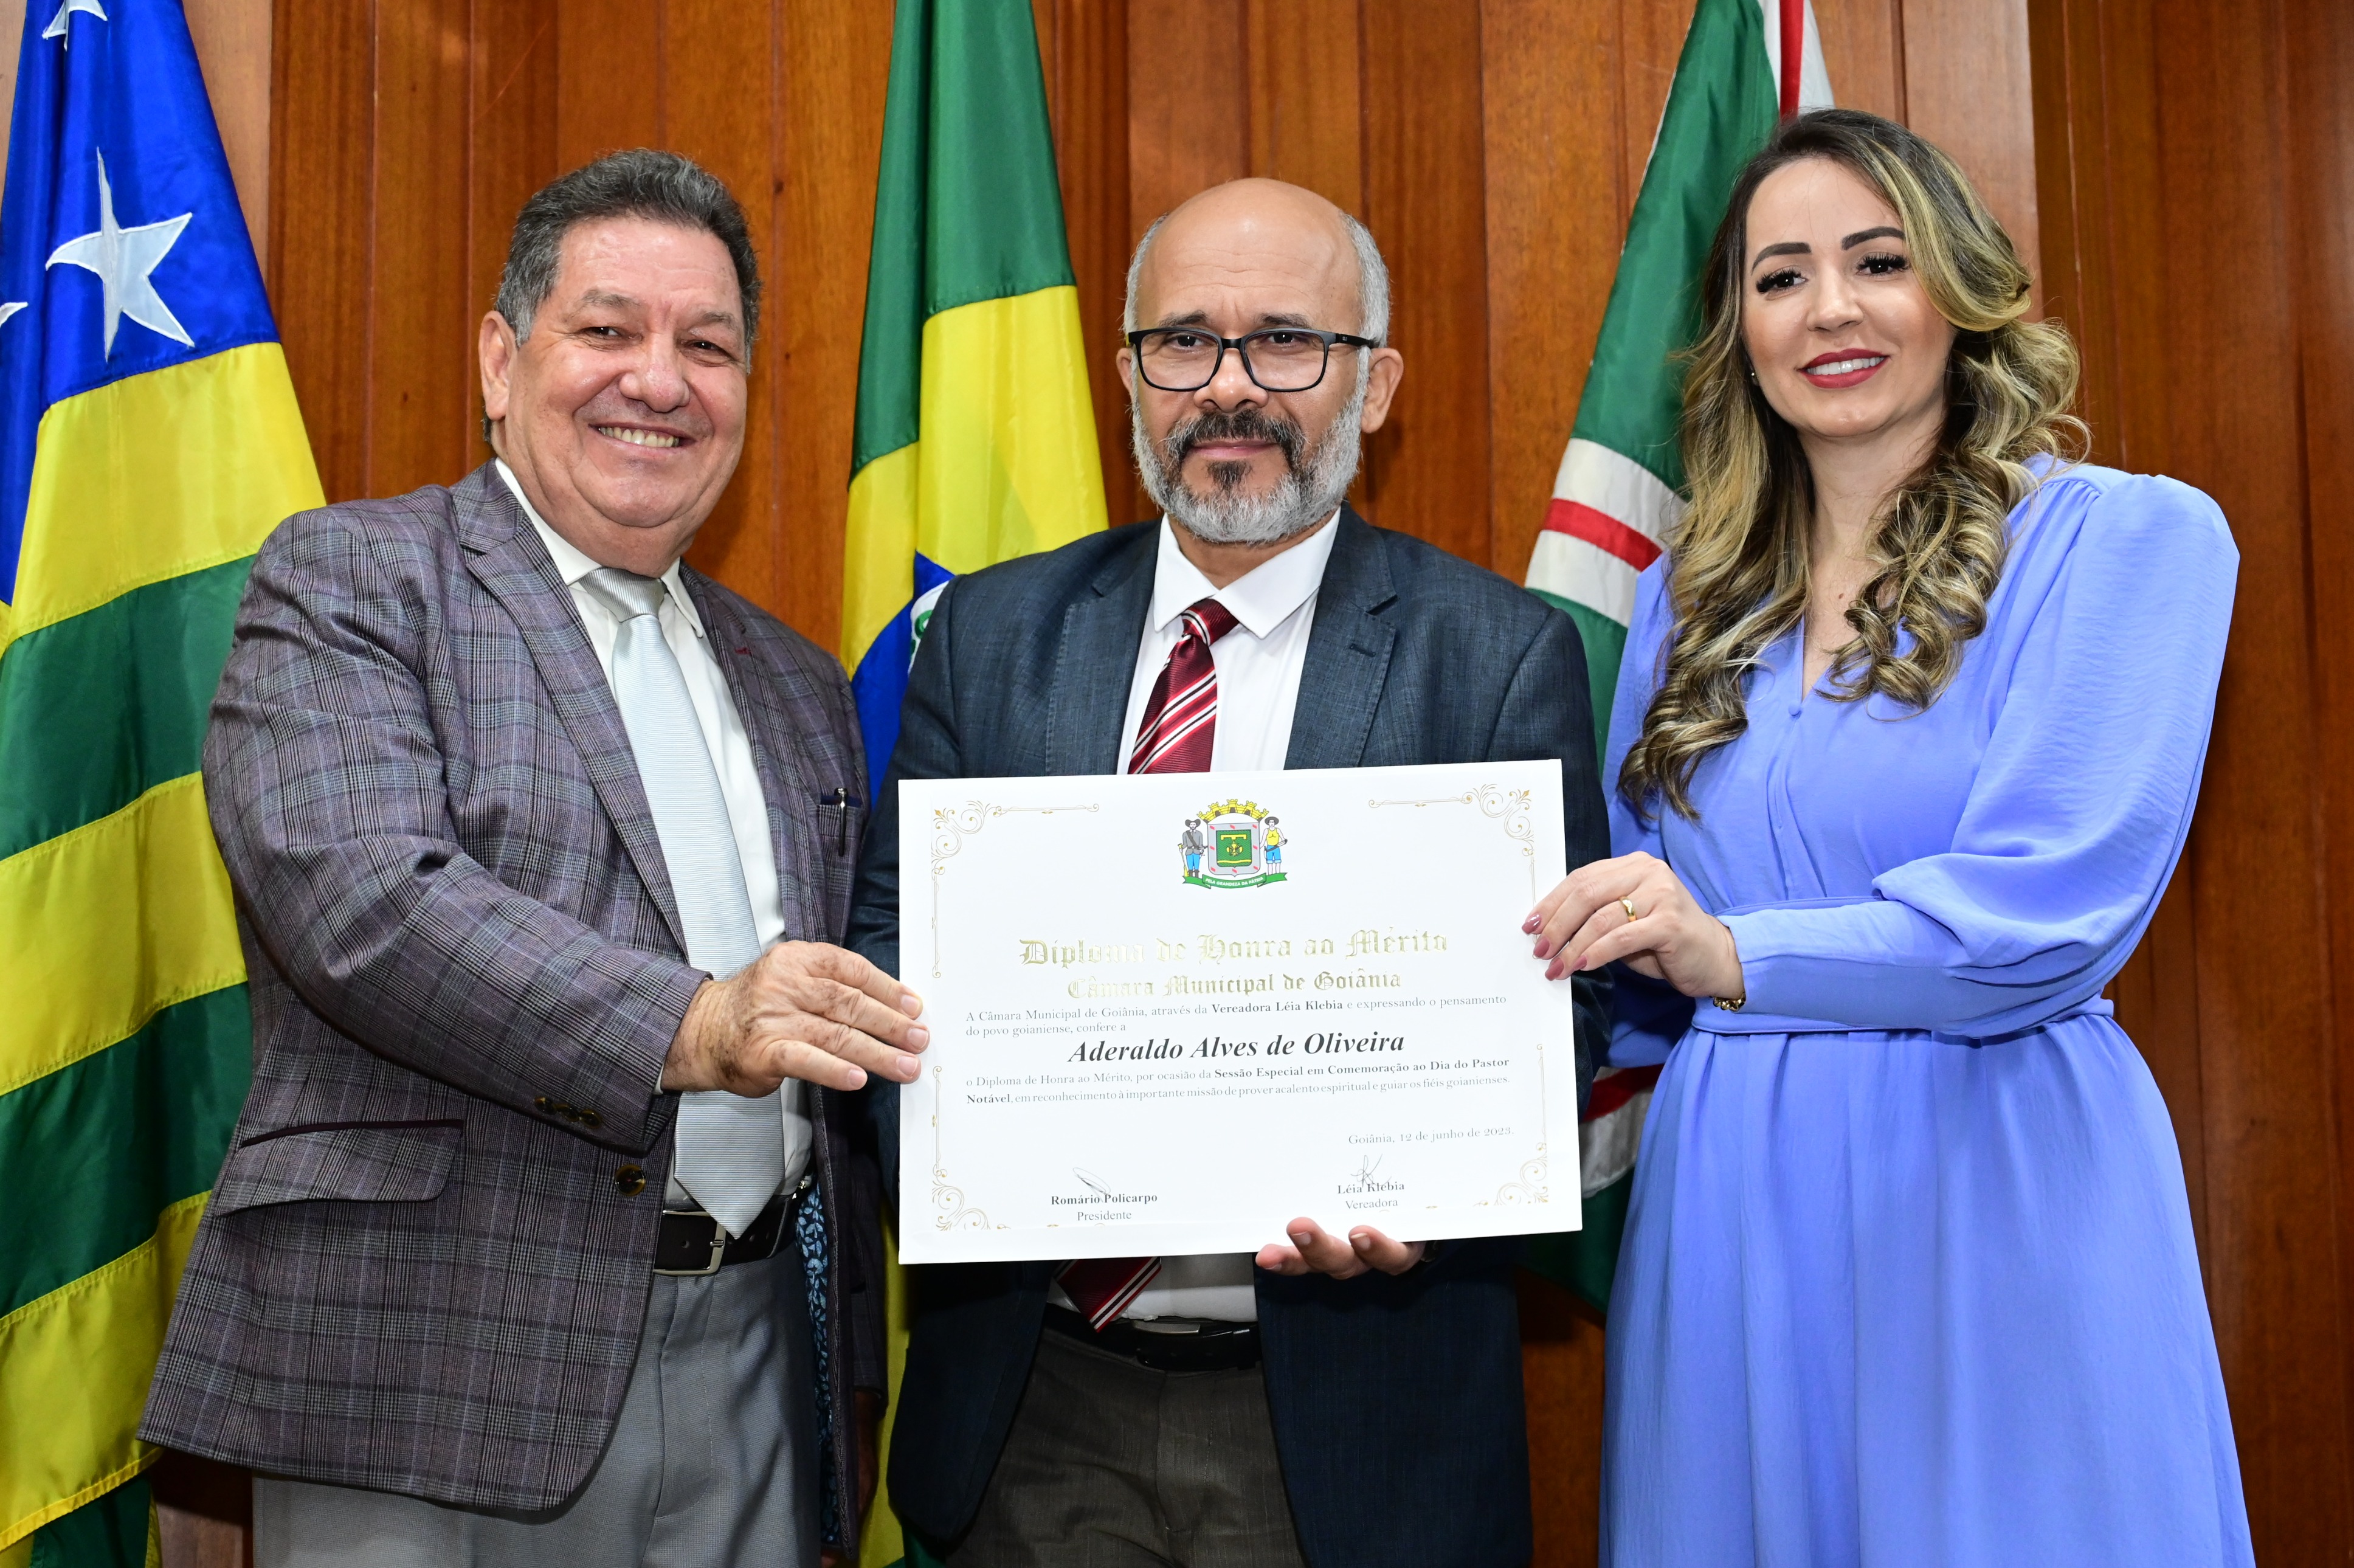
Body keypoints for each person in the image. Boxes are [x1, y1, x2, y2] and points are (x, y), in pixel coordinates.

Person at [140, 151, 927, 1568]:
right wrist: (693, 1023)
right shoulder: (351, 582)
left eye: (708, 347)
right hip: (437, 1361)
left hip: (759, 1357)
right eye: (608, 330)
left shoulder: (798, 682)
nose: (659, 380)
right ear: (501, 363)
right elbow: (367, 906)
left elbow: (843, 1032)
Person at [847, 177, 1610, 1568]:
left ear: (1375, 385)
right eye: (1184, 342)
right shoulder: (986, 637)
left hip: (1347, 1422)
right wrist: (974, 1165)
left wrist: (1431, 1200)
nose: (1229, 387)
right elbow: (895, 940)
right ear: (1128, 376)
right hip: (1037, 1401)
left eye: (1286, 343)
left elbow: (1567, 996)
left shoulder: (1495, 656)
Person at [1527, 110, 2253, 1567]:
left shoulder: (2123, 541)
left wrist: (1734, 953)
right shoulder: (1686, 598)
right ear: (1737, 334)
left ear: (1961, 292)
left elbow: (2048, 913)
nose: (1830, 310)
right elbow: (1629, 934)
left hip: (1992, 1171)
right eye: (1780, 277)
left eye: (1878, 261)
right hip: (1727, 1196)